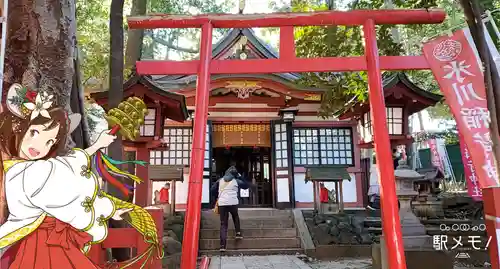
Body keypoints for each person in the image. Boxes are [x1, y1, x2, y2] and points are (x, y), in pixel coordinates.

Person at [0, 84, 160, 269]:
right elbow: (67, 194)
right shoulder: (23, 173)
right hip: (42, 244)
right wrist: (105, 209)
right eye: (35, 132)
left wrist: (97, 145)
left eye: (49, 141)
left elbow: (66, 170)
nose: (39, 146)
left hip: (51, 241)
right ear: (19, 128)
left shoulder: (33, 168)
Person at [211, 165, 250, 252]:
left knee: (223, 224)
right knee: (235, 216)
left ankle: (222, 246)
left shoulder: (220, 180)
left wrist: (218, 195)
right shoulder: (236, 181)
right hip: (233, 202)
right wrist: (240, 176)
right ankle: (238, 233)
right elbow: (246, 185)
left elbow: (212, 190)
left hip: (222, 203)